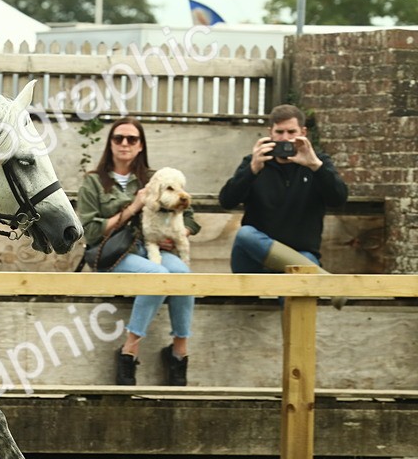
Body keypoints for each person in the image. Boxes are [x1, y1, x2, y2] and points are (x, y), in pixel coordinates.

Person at [77, 118, 200, 386]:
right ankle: (129, 350)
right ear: (109, 144)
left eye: (131, 139)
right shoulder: (94, 182)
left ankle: (179, 351)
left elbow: (189, 218)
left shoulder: (156, 177)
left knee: (181, 273)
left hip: (151, 248)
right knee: (157, 275)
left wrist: (178, 234)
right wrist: (133, 207)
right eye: (118, 138)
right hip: (113, 253)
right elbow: (91, 231)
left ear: (141, 145)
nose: (124, 144)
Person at [219, 105, 348, 305]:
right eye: (279, 132)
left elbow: (339, 199)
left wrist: (315, 166)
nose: (285, 138)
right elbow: (226, 201)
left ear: (303, 133)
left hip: (300, 256)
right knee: (245, 234)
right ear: (270, 132)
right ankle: (325, 281)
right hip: (255, 259)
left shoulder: (318, 163)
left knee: (295, 293)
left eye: (291, 132)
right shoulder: (256, 162)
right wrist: (252, 170)